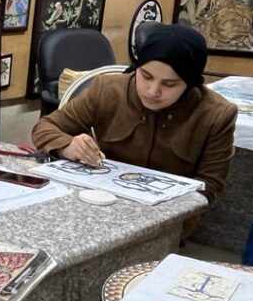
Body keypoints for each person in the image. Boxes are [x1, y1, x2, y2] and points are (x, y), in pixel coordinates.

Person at [30, 24, 237, 208]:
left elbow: (210, 185)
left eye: (169, 84)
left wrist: (162, 205)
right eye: (146, 76)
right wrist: (67, 146)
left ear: (191, 83)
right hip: (98, 199)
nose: (153, 91)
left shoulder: (216, 114)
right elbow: (45, 127)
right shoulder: (107, 89)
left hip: (167, 214)